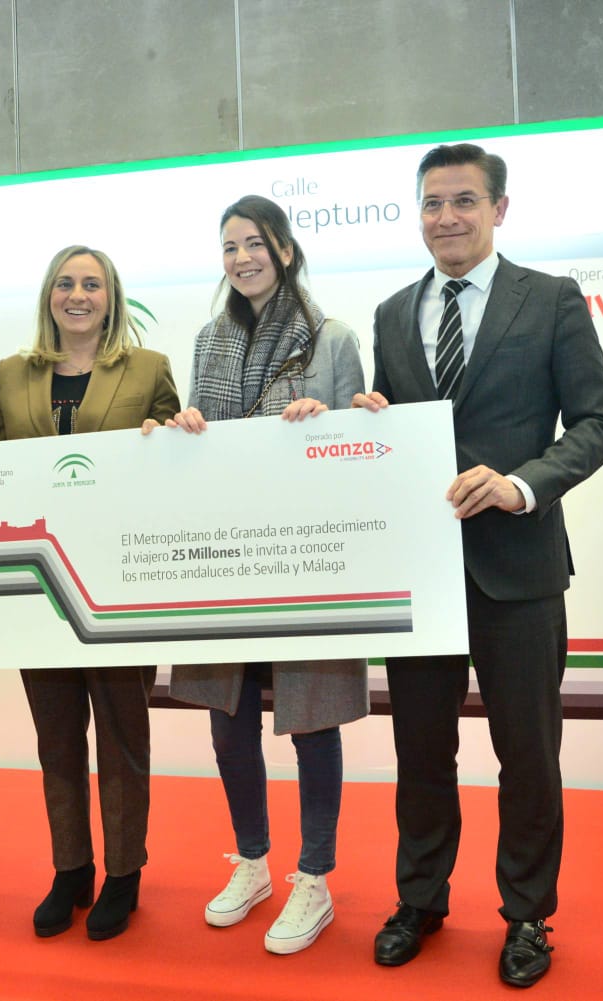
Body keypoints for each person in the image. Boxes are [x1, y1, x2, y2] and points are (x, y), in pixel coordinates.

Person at [354, 144, 603, 988]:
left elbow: (597, 423)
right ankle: (420, 898)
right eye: (432, 203)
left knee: (528, 755)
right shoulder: (392, 313)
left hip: (520, 569)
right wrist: (369, 422)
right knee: (421, 752)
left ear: (499, 209)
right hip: (423, 572)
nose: (447, 218)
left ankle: (528, 914)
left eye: (464, 200)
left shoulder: (551, 299)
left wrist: (520, 485)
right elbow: (395, 430)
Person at [151, 194, 369, 956]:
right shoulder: (208, 341)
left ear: (284, 248)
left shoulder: (333, 339)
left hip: (307, 557)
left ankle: (315, 875)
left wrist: (328, 423)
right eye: (230, 246)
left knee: (311, 718)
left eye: (254, 243)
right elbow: (196, 450)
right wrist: (184, 428)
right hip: (224, 557)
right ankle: (251, 860)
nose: (242, 257)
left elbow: (359, 449)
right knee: (228, 718)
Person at [0, 245, 180, 940]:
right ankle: (71, 868)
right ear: (49, 295)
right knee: (56, 738)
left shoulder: (149, 368)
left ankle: (124, 873)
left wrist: (169, 437)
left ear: (111, 298)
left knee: (122, 736)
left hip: (120, 585)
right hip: (41, 585)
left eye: (92, 284)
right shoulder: (12, 372)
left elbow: (175, 468)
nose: (77, 295)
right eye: (65, 283)